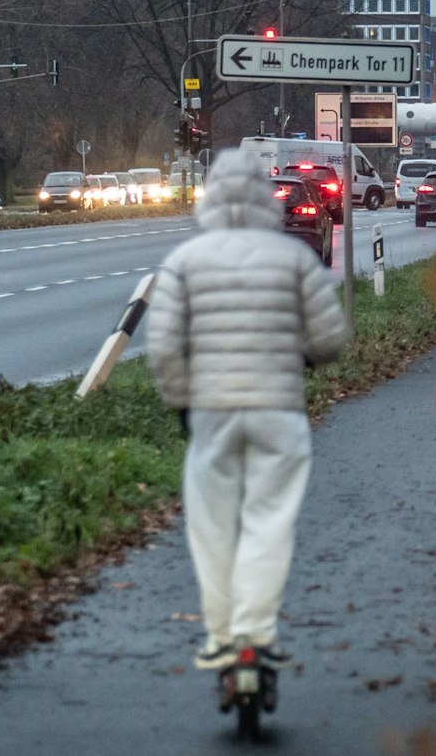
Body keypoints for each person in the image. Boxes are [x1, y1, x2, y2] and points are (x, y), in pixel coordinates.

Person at [147, 149, 350, 671]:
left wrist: (181, 401)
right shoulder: (293, 259)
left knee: (211, 525)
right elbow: (330, 337)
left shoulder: (184, 262)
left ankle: (220, 637)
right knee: (269, 521)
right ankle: (256, 636)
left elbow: (165, 347)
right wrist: (302, 355)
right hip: (277, 409)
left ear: (209, 198)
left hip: (211, 410)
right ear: (266, 201)